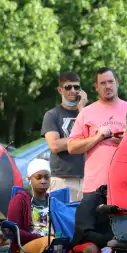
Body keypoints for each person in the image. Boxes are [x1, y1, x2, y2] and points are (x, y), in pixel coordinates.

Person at [7, 159, 80, 253]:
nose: (43, 181)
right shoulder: (20, 199)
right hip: (26, 246)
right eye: (38, 177)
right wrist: (42, 238)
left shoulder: (53, 201)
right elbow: (15, 230)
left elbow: (61, 226)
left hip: (53, 246)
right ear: (29, 179)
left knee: (84, 250)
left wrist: (60, 238)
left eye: (46, 177)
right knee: (49, 243)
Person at [67, 68, 127, 195]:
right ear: (96, 87)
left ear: (117, 83)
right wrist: (97, 137)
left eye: (110, 82)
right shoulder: (87, 112)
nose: (107, 86)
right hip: (95, 187)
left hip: (126, 184)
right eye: (102, 83)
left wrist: (126, 140)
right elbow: (71, 147)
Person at [41, 71, 87, 201]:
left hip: (87, 179)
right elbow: (54, 145)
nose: (73, 90)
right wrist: (83, 140)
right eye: (68, 87)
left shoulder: (88, 113)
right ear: (60, 90)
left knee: (84, 221)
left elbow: (94, 140)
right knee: (60, 221)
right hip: (62, 179)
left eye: (76, 87)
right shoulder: (52, 115)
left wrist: (81, 109)